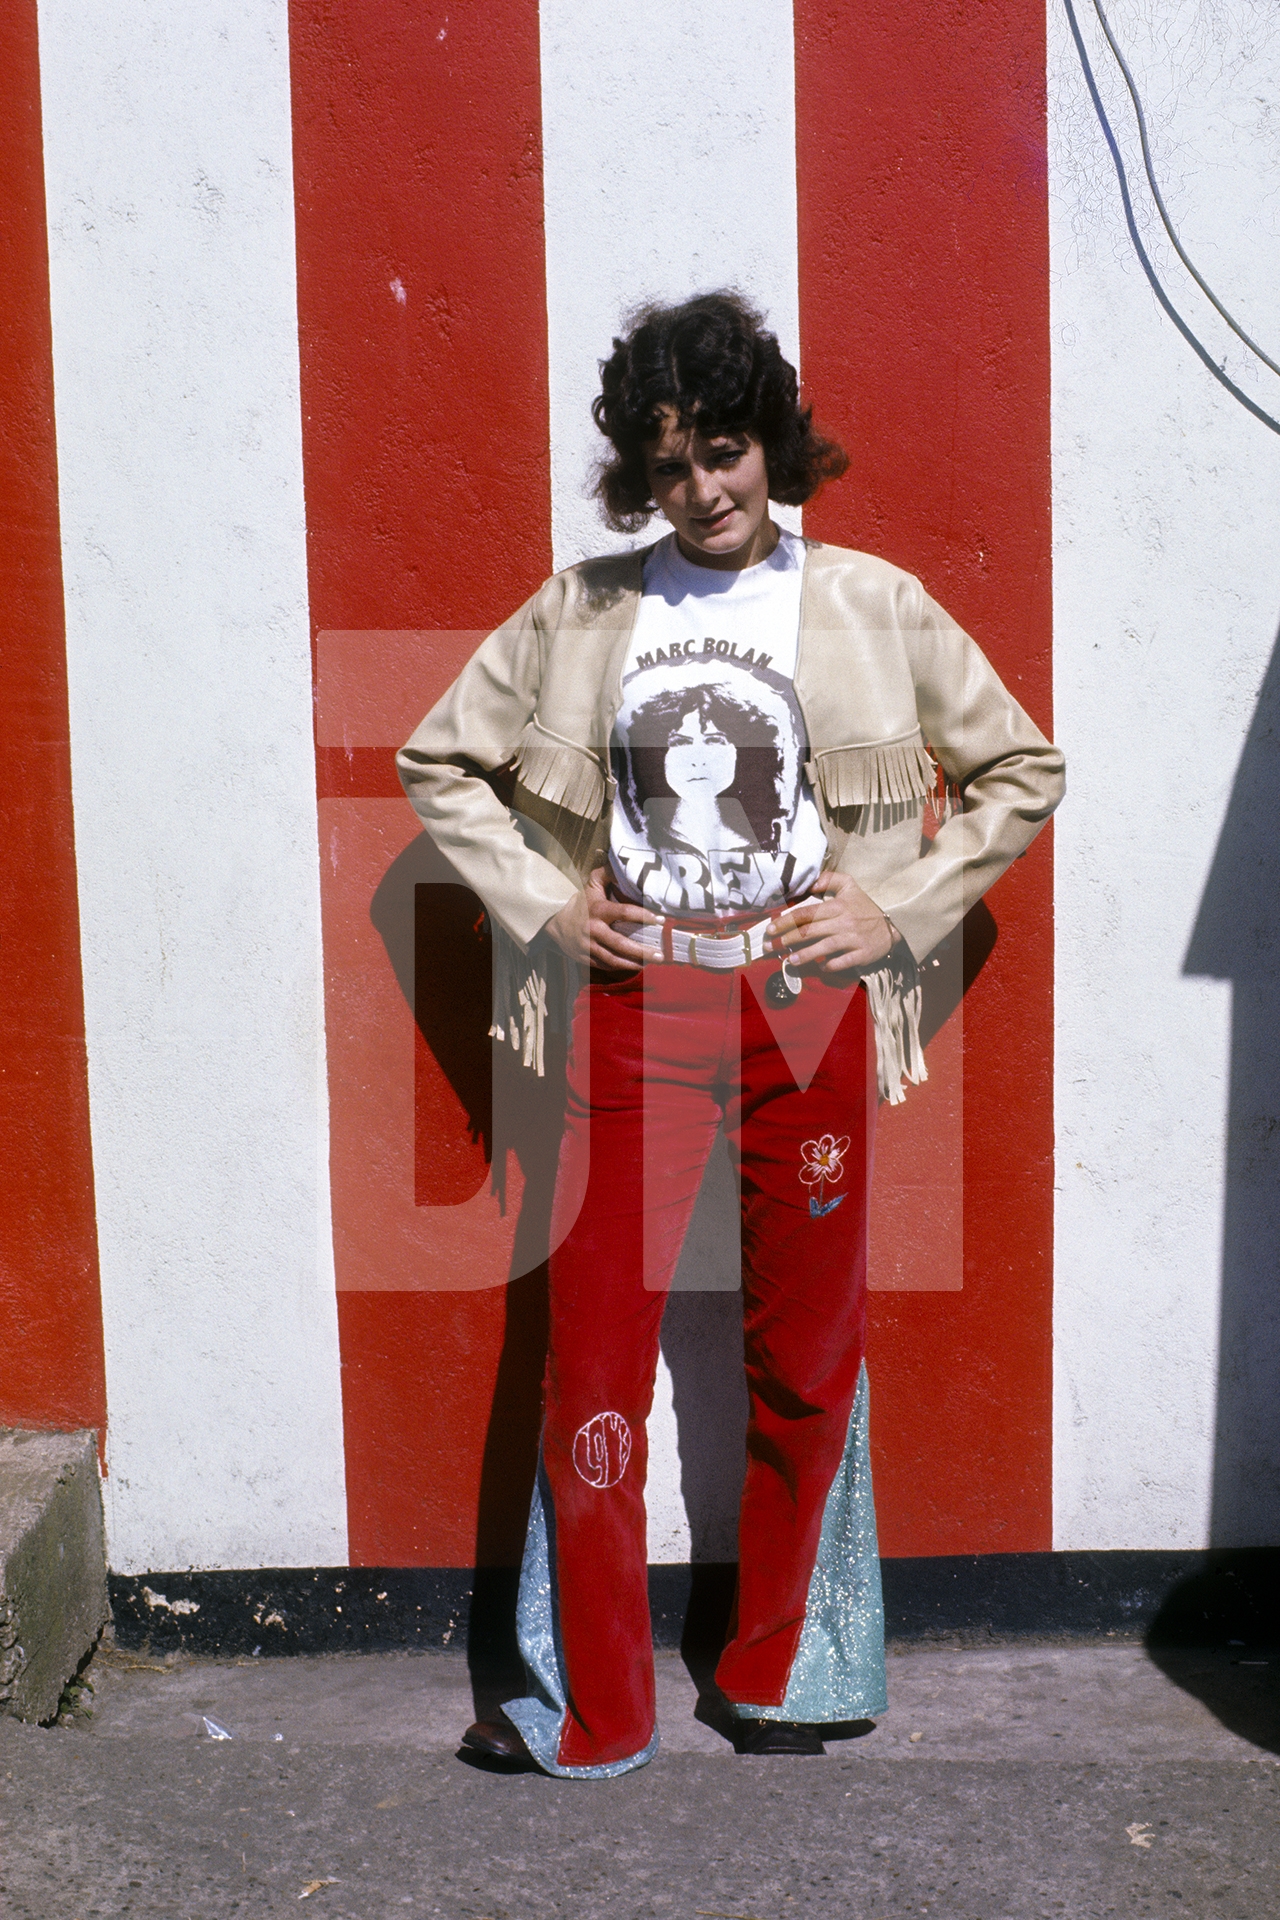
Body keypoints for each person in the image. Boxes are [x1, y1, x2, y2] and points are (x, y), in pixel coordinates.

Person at [397, 292, 1064, 1777]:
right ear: (643, 476)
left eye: (729, 449)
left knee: (808, 1350)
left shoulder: (869, 603)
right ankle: (597, 1705)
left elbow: (1022, 765)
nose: (707, 488)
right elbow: (436, 755)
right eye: (674, 461)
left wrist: (894, 912)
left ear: (774, 443)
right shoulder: (586, 610)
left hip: (800, 1008)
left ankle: (785, 1676)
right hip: (635, 1009)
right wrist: (545, 905)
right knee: (594, 1360)